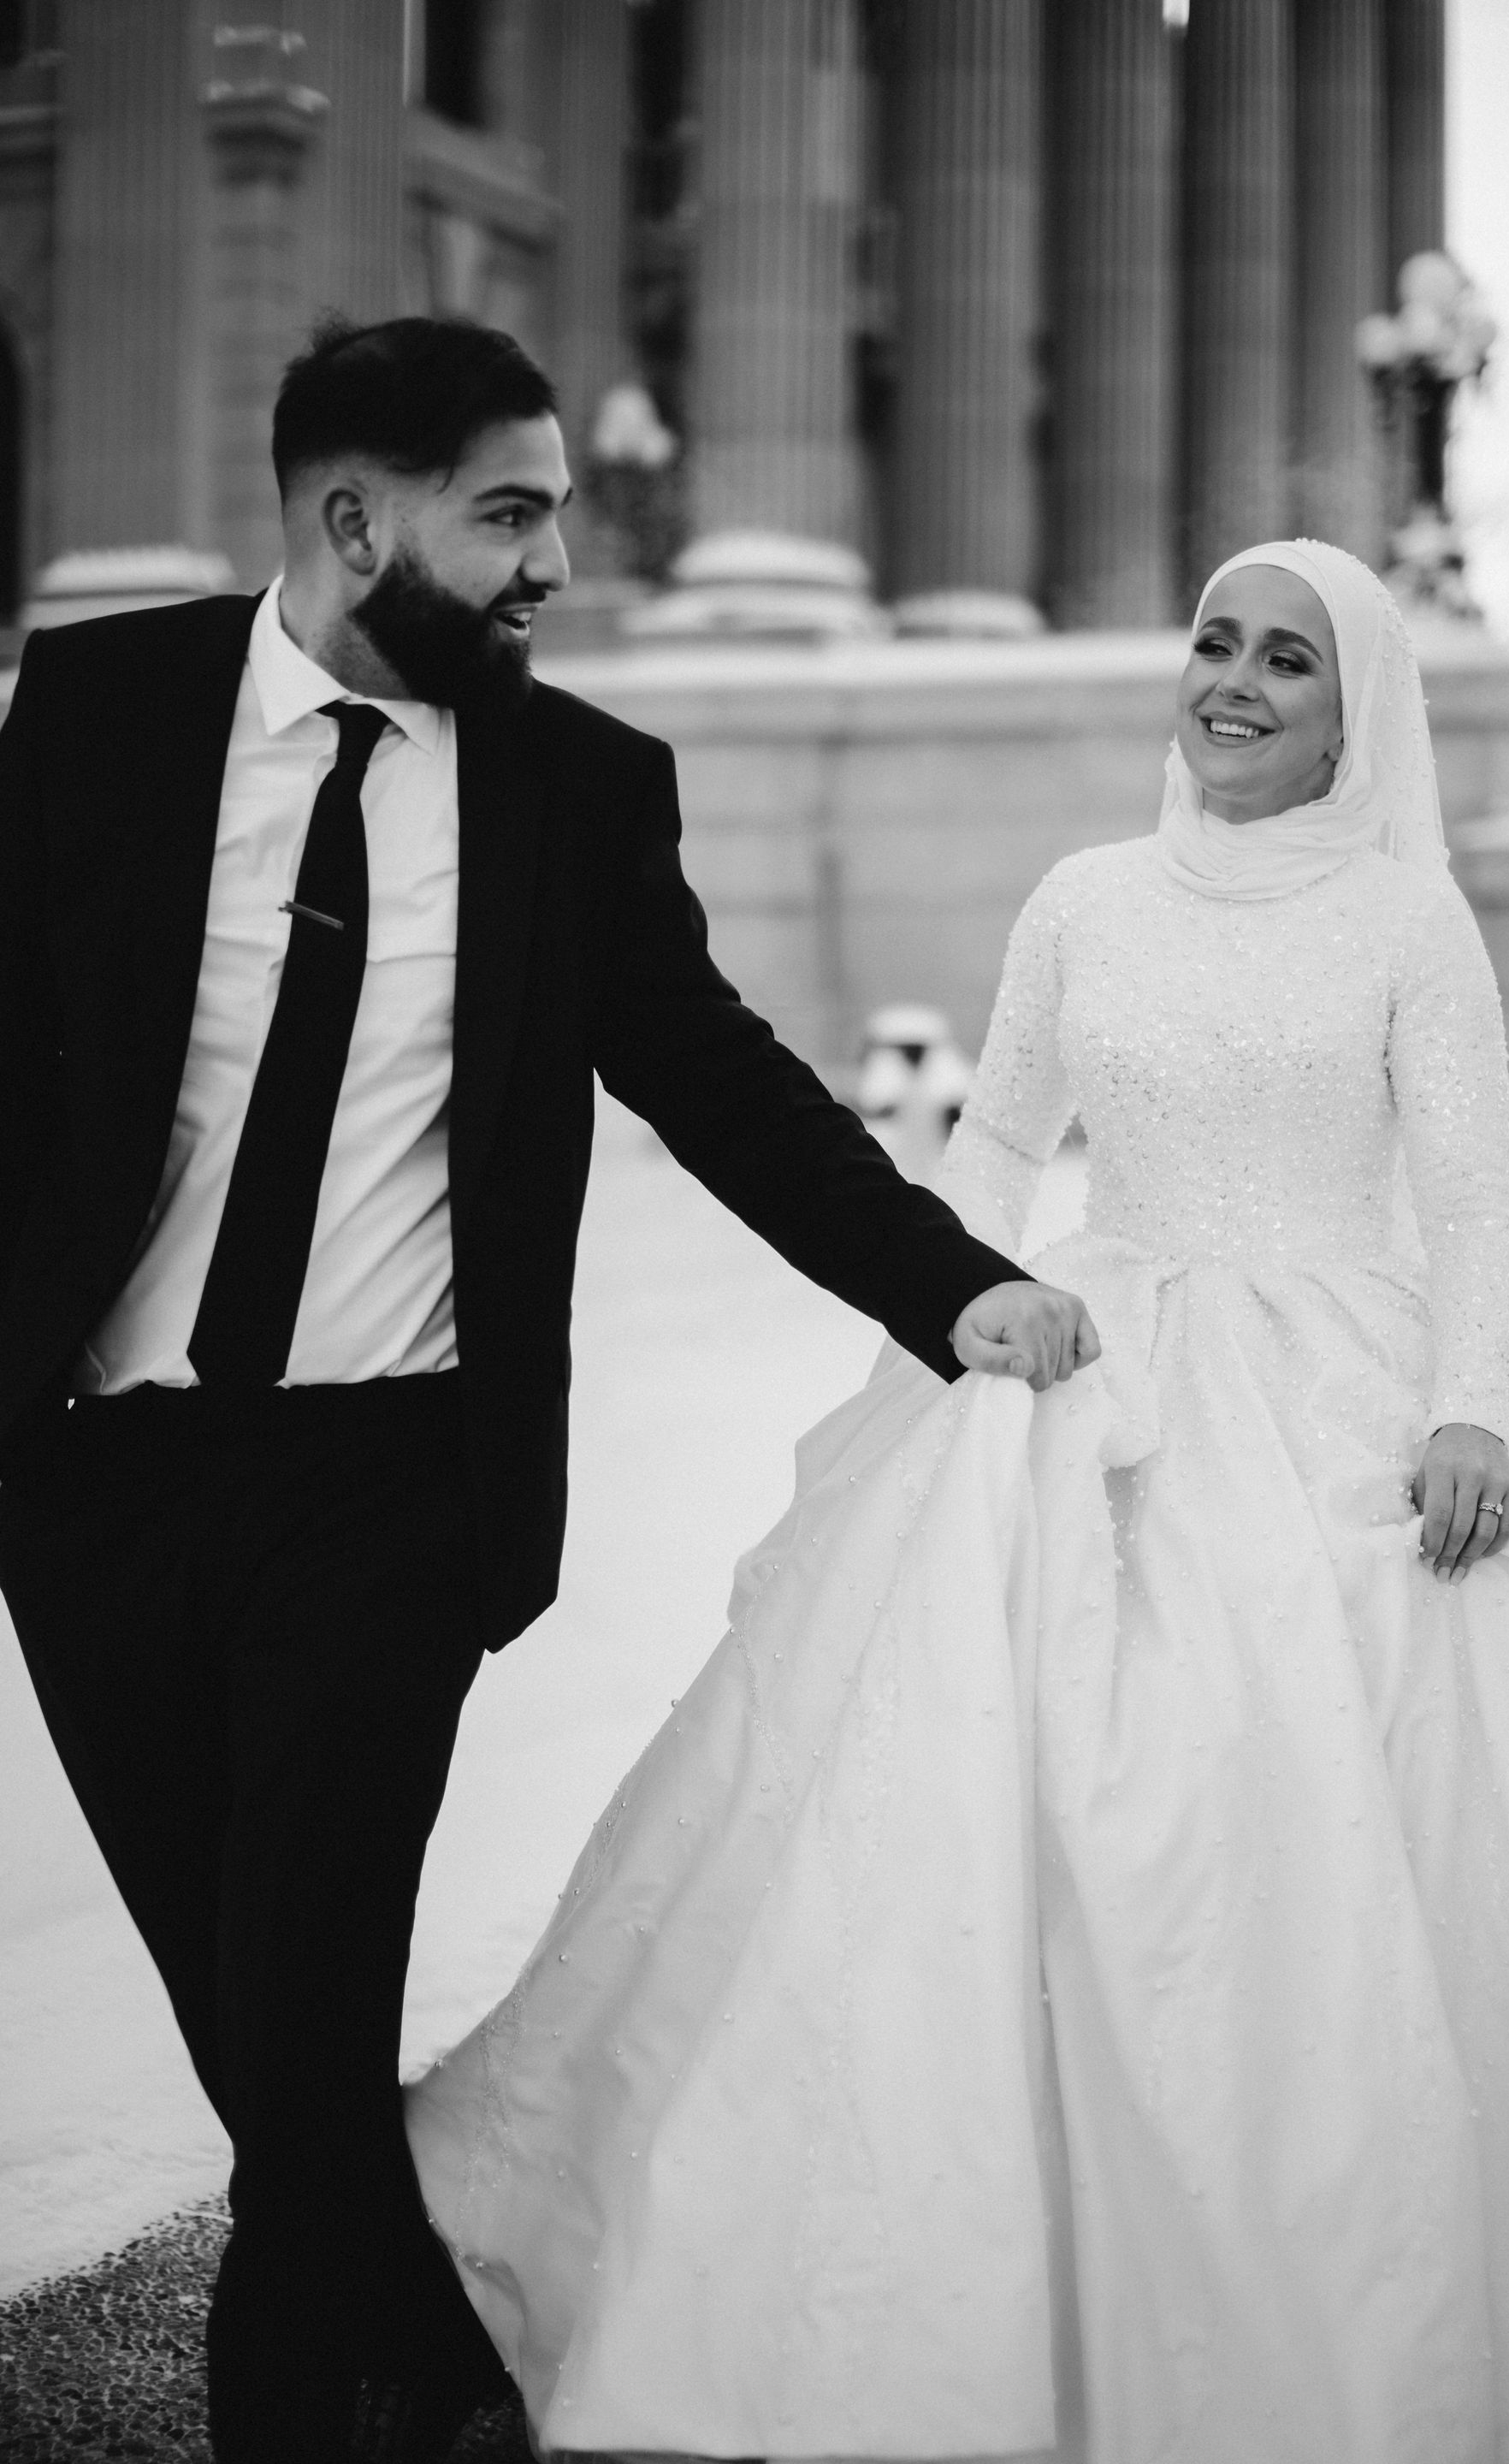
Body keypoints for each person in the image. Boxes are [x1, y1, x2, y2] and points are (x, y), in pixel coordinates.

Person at [407, 539, 1509, 2463]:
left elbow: (1470, 1196)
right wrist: (942, 1329)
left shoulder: (1412, 926)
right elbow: (998, 1134)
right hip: (1094, 1351)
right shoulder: (1085, 899)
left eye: (1288, 662)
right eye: (1218, 642)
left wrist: (1473, 1410)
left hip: (1343, 1381)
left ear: (1356, 712)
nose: (1231, 681)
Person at [0, 313, 1095, 2464]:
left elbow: (718, 1080)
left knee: (299, 2003)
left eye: (555, 516)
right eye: (509, 513)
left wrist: (949, 1286)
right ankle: (446, 2361)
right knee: (262, 2044)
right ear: (355, 518)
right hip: (98, 1484)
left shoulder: (581, 788)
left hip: (393, 1487)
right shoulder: (103, 711)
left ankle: (317, 2418)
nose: (550, 565)